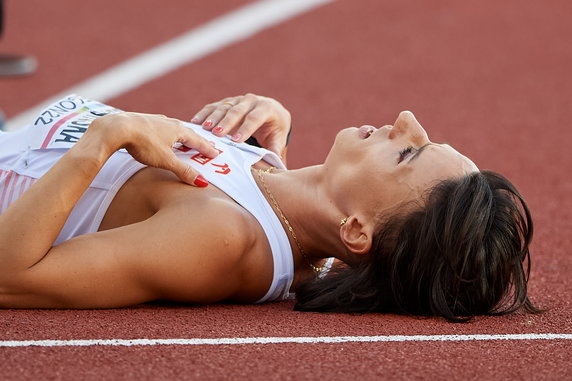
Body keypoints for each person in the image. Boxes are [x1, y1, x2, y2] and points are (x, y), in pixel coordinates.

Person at [0, 93, 538, 322]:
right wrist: (264, 151)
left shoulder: (222, 238)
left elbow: (11, 277)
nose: (406, 118)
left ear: (356, 231)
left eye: (406, 152)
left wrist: (108, 137)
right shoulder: (281, 210)